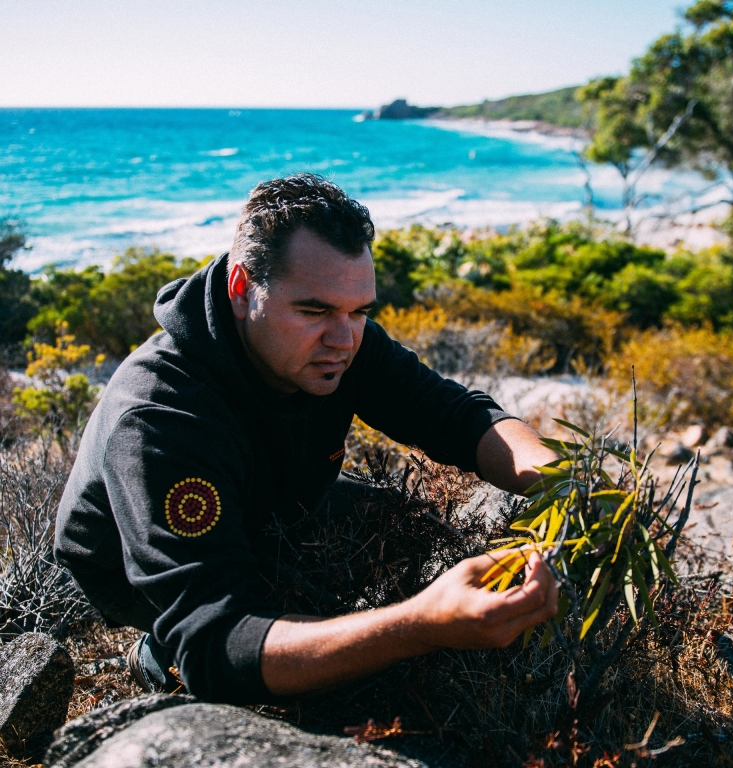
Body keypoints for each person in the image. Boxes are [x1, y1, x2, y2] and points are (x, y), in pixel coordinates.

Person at [54, 173, 559, 704]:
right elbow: (219, 641)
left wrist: (560, 480)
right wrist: (418, 625)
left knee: (409, 530)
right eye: (314, 311)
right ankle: (155, 655)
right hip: (140, 567)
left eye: (360, 311)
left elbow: (455, 414)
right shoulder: (160, 416)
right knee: (290, 644)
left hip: (276, 503)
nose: (343, 339)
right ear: (242, 289)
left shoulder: (337, 339)